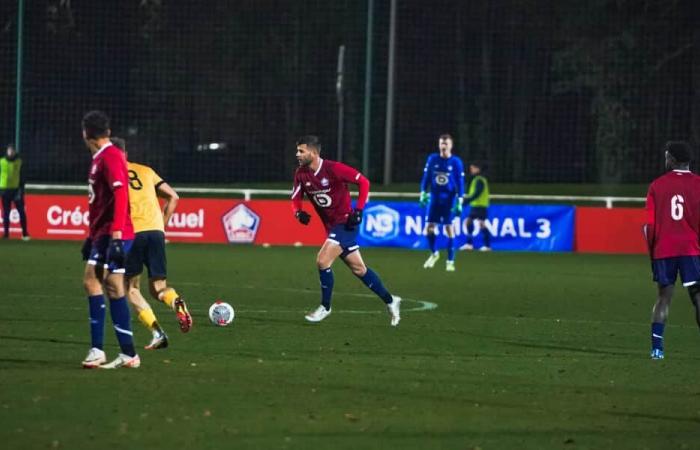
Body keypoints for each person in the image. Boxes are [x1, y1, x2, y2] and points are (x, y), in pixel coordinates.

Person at [291, 135, 402, 326]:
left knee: (322, 260)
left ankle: (325, 307)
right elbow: (295, 198)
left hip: (346, 223)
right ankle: (391, 300)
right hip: (332, 227)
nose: (297, 154)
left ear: (314, 152)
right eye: (297, 151)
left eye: (301, 151)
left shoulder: (333, 169)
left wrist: (358, 210)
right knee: (359, 269)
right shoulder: (301, 174)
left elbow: (364, 182)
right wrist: (298, 213)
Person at [111, 137, 192, 351]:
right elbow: (173, 196)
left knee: (130, 288)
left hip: (133, 233)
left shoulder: (112, 176)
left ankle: (157, 332)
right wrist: (161, 225)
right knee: (159, 288)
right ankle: (176, 302)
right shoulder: (146, 170)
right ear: (126, 153)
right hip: (156, 232)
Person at [79, 111, 139, 369]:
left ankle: (113, 352)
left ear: (86, 133)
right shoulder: (99, 158)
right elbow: (101, 203)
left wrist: (115, 236)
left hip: (116, 233)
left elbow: (121, 193)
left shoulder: (111, 155)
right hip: (102, 235)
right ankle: (116, 353)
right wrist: (91, 237)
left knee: (102, 283)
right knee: (104, 283)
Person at [645, 141, 700, 360]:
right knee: (698, 296)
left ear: (673, 159)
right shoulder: (698, 184)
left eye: (667, 156)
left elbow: (649, 226)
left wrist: (652, 251)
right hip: (691, 248)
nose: (665, 159)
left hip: (664, 249)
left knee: (663, 298)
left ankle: (657, 349)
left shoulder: (657, 186)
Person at [419, 134, 465, 271]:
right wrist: (422, 192)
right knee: (428, 228)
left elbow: (460, 182)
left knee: (449, 228)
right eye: (441, 143)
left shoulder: (456, 162)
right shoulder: (432, 159)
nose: (443, 146)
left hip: (449, 199)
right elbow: (426, 177)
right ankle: (434, 254)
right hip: (434, 197)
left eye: (446, 144)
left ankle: (450, 261)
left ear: (451, 146)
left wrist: (460, 200)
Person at [0, 144, 29, 240]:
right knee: (6, 212)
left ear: (15, 152)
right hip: (5, 190)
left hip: (16, 191)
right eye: (9, 151)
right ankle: (6, 234)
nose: (11, 152)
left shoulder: (19, 162)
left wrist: (22, 189)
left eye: (12, 151)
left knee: (21, 212)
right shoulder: (2, 162)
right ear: (6, 152)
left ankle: (25, 233)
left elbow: (22, 176)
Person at [462, 161, 491, 251]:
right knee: (470, 222)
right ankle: (470, 244)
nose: (471, 170)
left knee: (478, 223)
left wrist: (467, 201)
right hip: (477, 205)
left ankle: (485, 245)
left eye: (472, 168)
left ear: (477, 169)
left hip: (480, 205)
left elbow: (477, 193)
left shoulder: (479, 179)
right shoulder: (478, 179)